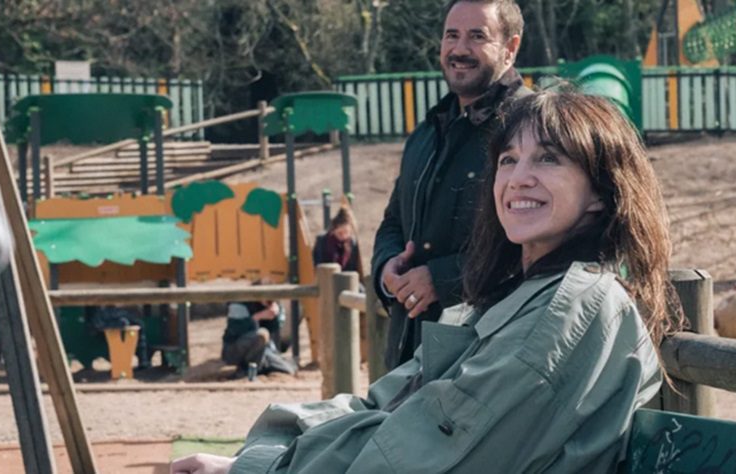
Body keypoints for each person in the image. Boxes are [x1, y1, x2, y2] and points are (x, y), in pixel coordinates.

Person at [170, 90, 685, 473]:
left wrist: (262, 467)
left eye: (548, 158)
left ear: (601, 193)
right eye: (508, 159)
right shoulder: (516, 296)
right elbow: (386, 403)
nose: (517, 177)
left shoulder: (571, 309)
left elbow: (425, 453)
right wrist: (256, 458)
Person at [372, 0, 530, 369]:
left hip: (487, 364)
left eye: (477, 36)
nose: (460, 49)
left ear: (510, 48)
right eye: (451, 36)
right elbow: (394, 222)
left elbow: (542, 243)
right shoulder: (425, 134)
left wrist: (443, 280)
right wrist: (387, 271)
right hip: (405, 358)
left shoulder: (531, 128)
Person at [222, 296, 296, 377]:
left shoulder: (271, 304)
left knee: (288, 369)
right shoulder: (240, 303)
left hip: (263, 352)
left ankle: (259, 367)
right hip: (234, 350)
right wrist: (257, 317)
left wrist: (275, 315)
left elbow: (274, 329)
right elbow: (235, 330)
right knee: (261, 335)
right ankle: (245, 370)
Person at [313, 206, 360, 273]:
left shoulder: (352, 244)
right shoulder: (323, 241)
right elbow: (317, 263)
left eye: (346, 232)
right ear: (334, 230)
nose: (343, 236)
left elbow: (353, 268)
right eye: (340, 233)